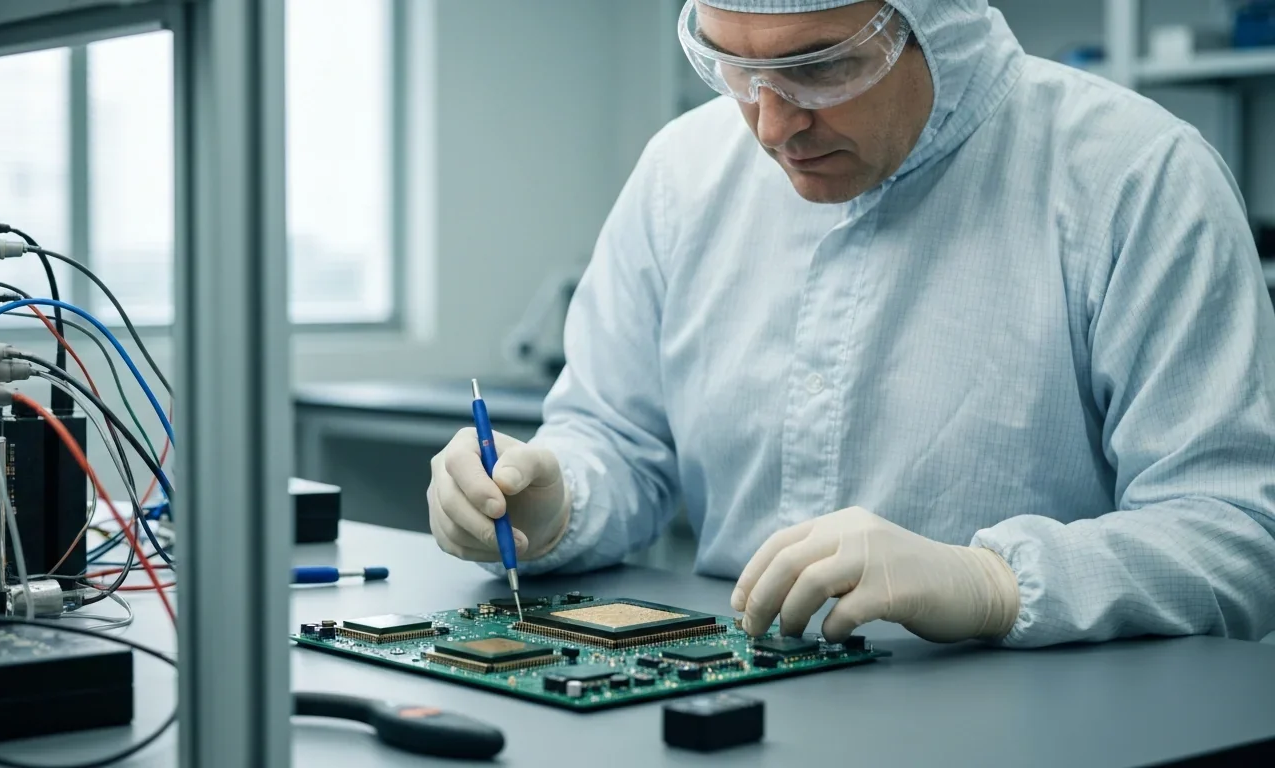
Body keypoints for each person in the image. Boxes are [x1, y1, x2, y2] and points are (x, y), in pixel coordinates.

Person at [427, 0, 1275, 648]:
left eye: (820, 68)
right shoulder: (681, 174)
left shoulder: (1135, 179)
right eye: (734, 68)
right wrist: (555, 500)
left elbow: (1237, 535)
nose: (772, 126)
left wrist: (997, 584)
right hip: (739, 706)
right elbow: (620, 440)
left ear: (933, 24)